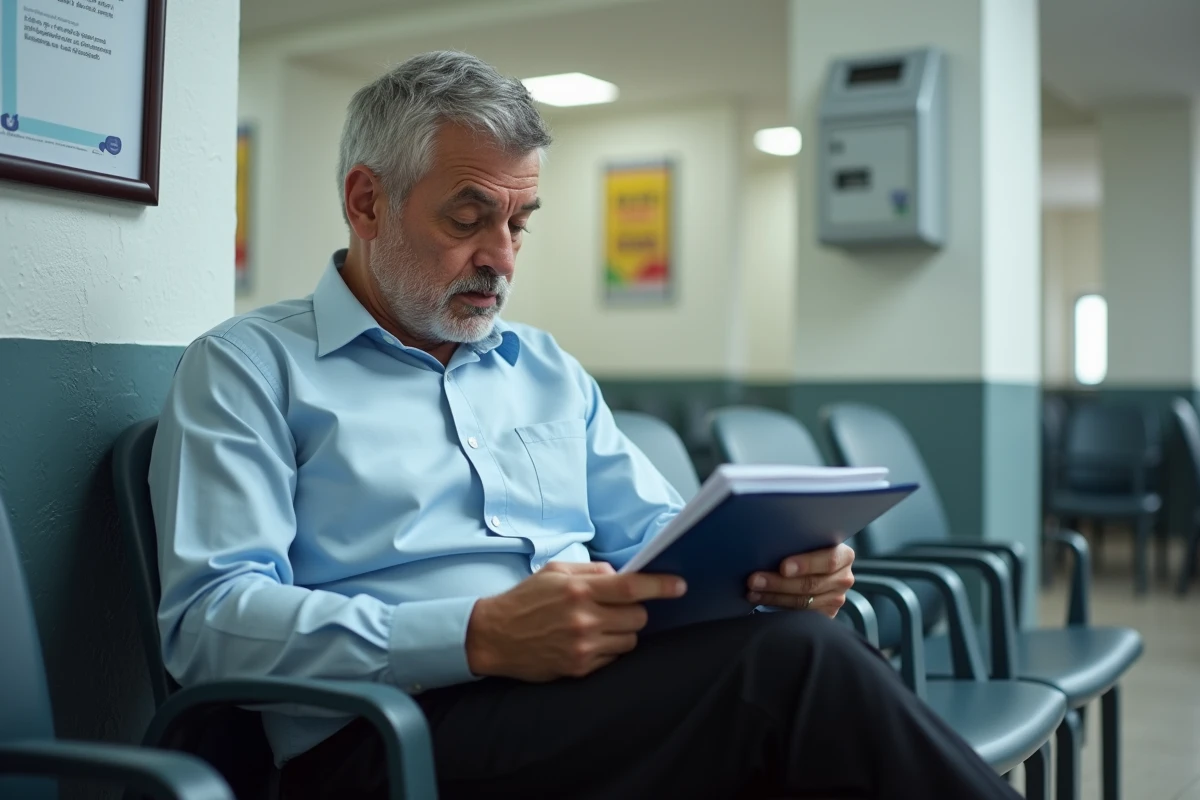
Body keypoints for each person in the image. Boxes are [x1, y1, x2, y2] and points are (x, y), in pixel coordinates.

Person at [150, 50, 1021, 799]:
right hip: (385, 737)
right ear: (367, 202)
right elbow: (211, 623)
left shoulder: (543, 367)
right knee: (792, 676)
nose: (501, 257)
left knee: (797, 654)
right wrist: (476, 633)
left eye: (519, 223)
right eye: (469, 218)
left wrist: (772, 571)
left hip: (585, 696)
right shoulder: (245, 368)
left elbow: (655, 535)